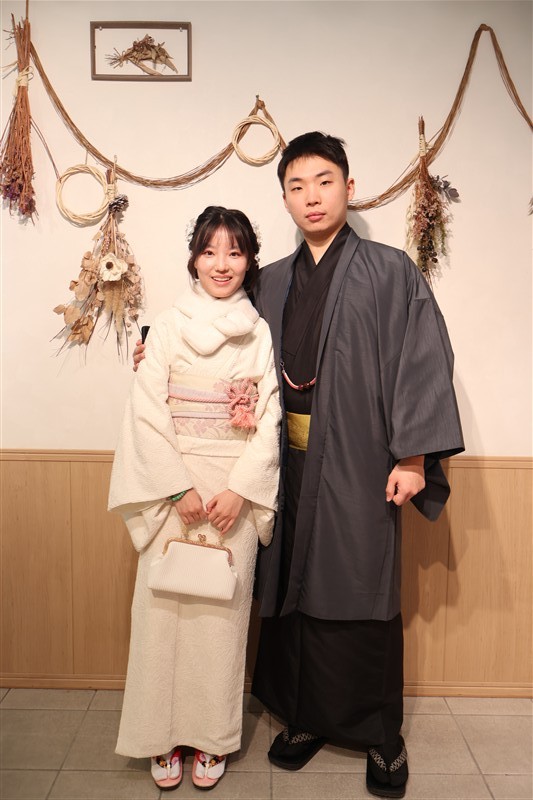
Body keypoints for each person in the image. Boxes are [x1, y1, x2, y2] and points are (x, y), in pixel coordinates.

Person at [133, 132, 464, 799]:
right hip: (280, 459)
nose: (311, 196)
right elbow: (216, 327)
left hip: (361, 459)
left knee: (361, 588)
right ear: (283, 198)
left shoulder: (390, 271)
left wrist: (413, 456)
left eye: (324, 181)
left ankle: (380, 735)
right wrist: (149, 346)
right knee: (289, 586)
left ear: (348, 187)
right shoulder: (274, 279)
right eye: (296, 186)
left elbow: (422, 359)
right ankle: (305, 717)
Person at [109, 206, 281, 791]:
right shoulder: (167, 325)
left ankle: (210, 736)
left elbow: (268, 418)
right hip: (172, 488)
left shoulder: (259, 333)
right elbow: (146, 409)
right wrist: (177, 485)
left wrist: (241, 490)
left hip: (233, 492)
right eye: (210, 251)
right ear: (194, 259)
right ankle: (158, 735)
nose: (222, 264)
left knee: (220, 621)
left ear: (249, 261)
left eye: (235, 252)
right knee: (161, 616)